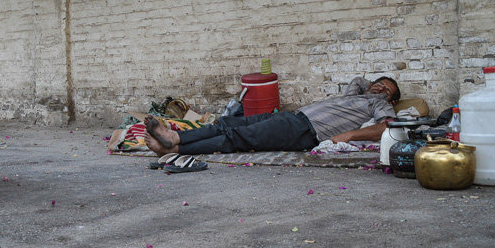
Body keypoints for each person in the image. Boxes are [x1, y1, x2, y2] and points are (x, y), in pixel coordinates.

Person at [144, 76, 400, 156]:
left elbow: (386, 127)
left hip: (305, 131)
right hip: (294, 118)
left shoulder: (377, 105)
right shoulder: (356, 95)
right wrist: (375, 84)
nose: (380, 88)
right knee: (228, 123)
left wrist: (350, 134)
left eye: (387, 89)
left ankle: (176, 145)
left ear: (392, 99)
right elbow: (358, 80)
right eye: (379, 83)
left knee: (238, 137)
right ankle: (176, 142)